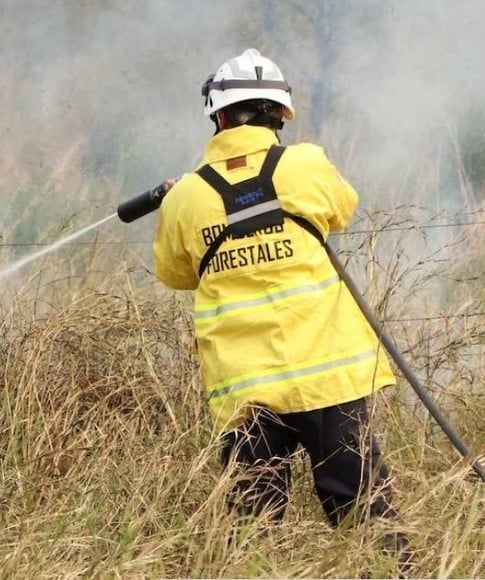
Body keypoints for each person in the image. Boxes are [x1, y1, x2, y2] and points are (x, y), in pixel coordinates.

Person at [152, 48, 406, 551]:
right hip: (328, 377)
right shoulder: (306, 164)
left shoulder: (185, 197)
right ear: (280, 114)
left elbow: (175, 274)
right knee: (365, 515)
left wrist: (191, 204)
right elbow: (342, 210)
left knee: (252, 528)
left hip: (246, 391)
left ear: (219, 117)